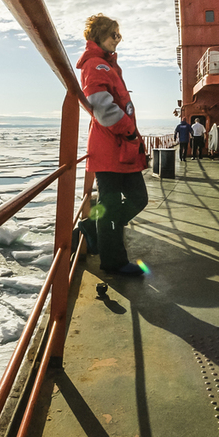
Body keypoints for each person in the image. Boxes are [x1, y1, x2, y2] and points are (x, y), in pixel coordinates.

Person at [74, 14, 148, 276]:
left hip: (120, 148)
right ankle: (113, 262)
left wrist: (132, 139)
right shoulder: (95, 65)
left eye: (119, 35)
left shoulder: (108, 65)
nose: (119, 39)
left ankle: (92, 229)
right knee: (112, 206)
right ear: (100, 36)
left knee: (138, 199)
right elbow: (102, 107)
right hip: (110, 148)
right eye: (114, 34)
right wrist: (129, 132)